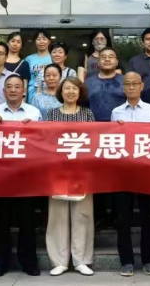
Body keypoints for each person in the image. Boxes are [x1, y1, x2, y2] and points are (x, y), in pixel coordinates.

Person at [0, 74, 42, 277]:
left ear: (24, 91)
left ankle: (29, 263)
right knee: (2, 223)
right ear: (4, 91)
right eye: (9, 86)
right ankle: (0, 263)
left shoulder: (34, 113)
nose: (13, 90)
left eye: (17, 86)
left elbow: (44, 142)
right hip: (1, 177)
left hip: (27, 176)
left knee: (28, 223)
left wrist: (34, 128)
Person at [109, 72, 150, 277]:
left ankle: (148, 260)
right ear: (123, 88)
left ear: (141, 86)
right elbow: (112, 140)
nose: (131, 87)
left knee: (148, 217)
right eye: (127, 84)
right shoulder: (116, 112)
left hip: (147, 170)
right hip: (123, 171)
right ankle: (126, 261)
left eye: (134, 84)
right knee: (123, 218)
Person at [46, 77, 95, 276]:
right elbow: (46, 141)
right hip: (57, 170)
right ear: (61, 92)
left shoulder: (87, 114)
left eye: (75, 88)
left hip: (82, 171)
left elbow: (93, 140)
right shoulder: (52, 114)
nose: (71, 92)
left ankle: (81, 260)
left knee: (82, 214)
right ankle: (60, 261)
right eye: (67, 88)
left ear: (80, 92)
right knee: (58, 215)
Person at [84, 47, 125, 122]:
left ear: (117, 62)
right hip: (94, 126)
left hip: (121, 126)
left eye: (111, 57)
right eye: (103, 57)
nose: (107, 59)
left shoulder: (126, 81)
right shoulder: (88, 82)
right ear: (98, 62)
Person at [25, 29, 53, 100]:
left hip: (49, 94)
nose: (41, 42)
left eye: (44, 39)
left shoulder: (54, 58)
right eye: (38, 39)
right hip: (32, 95)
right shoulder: (29, 59)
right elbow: (25, 80)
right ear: (35, 41)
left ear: (49, 41)